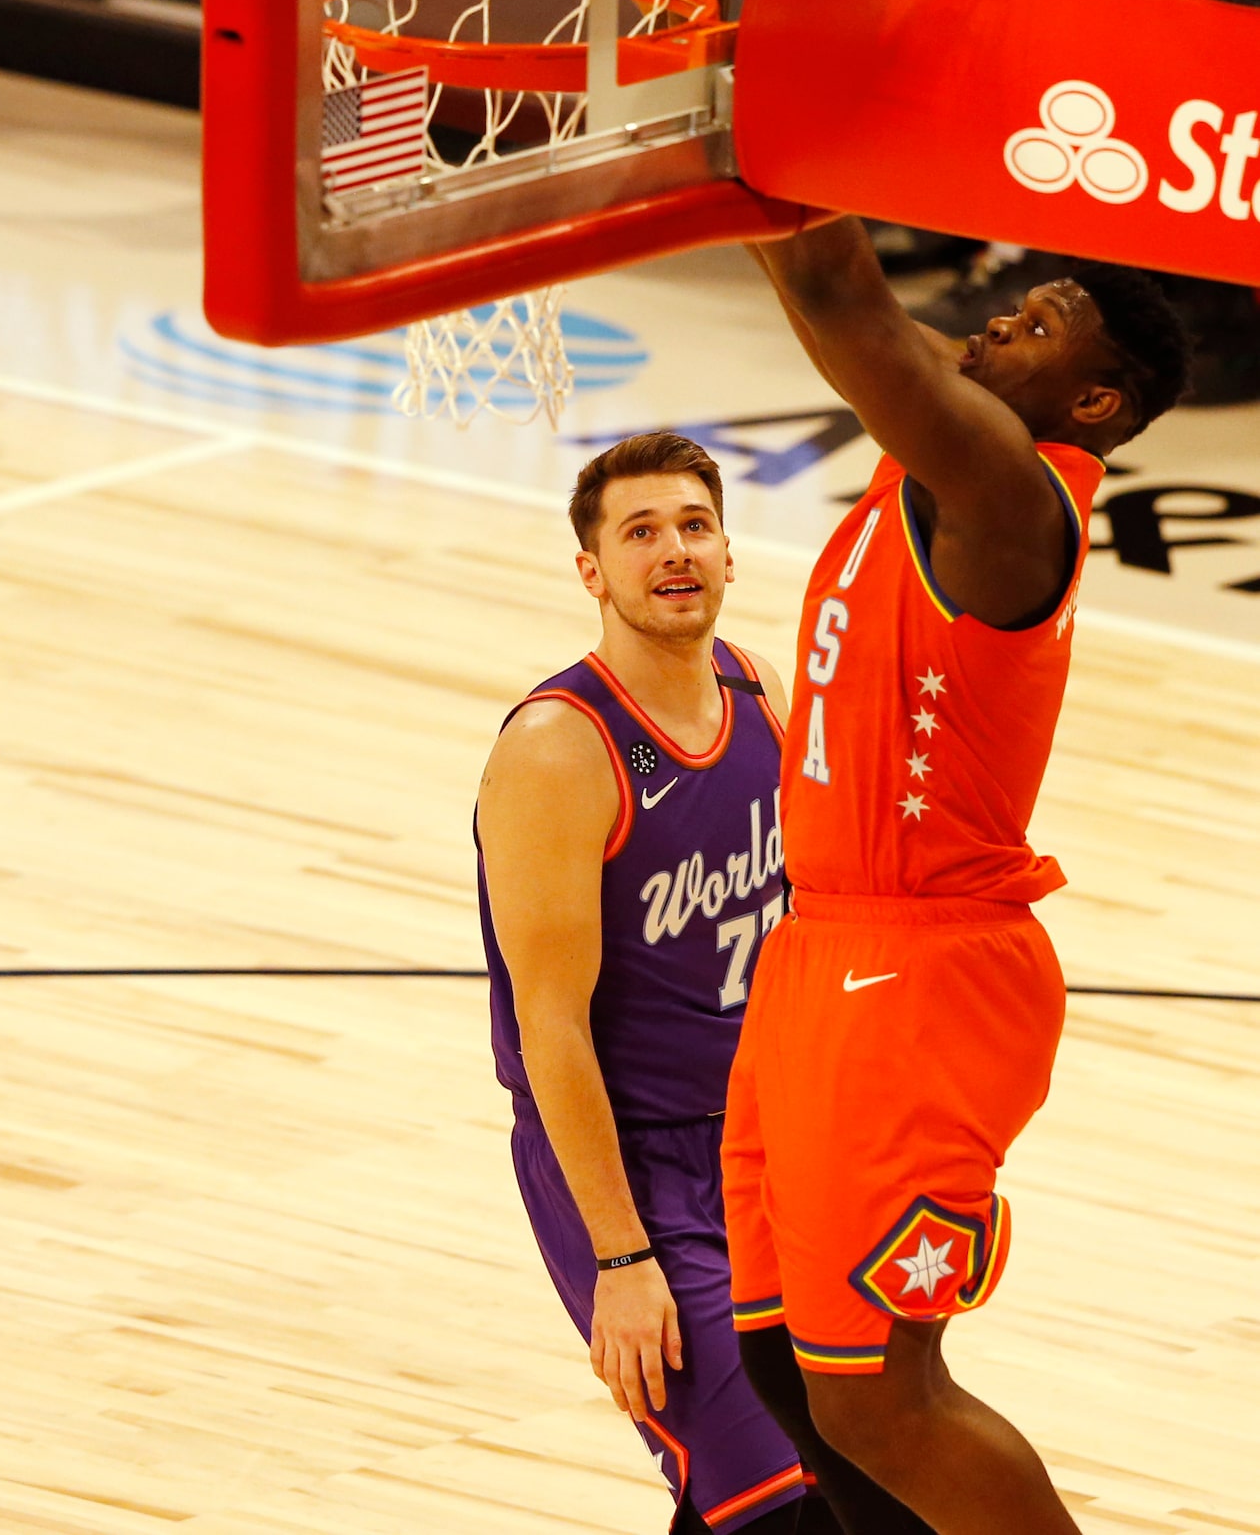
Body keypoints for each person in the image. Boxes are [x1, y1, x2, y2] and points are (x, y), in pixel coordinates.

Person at [724, 226, 1191, 1535]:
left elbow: (838, 292)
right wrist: (724, 191)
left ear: (1092, 401)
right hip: (821, 951)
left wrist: (737, 124)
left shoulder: (1003, 486)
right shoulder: (971, 423)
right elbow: (846, 317)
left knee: (881, 1390)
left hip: (918, 976)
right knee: (782, 1363)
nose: (988, 329)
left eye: (1035, 327)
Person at [476, 430, 930, 1535]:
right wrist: (620, 1257)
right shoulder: (558, 748)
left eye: (692, 527)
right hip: (645, 1171)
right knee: (784, 1508)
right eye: (639, 534)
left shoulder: (756, 687)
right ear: (592, 572)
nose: (671, 552)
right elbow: (551, 1030)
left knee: (821, 1478)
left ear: (729, 554)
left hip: (777, 1146)